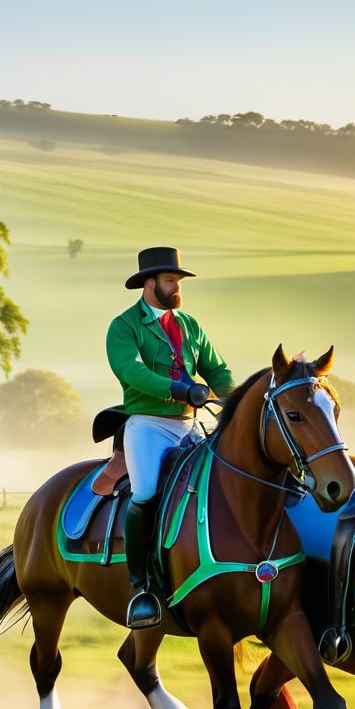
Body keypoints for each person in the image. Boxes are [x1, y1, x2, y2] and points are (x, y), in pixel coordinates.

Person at [106, 246, 235, 629]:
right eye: (170, 281)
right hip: (147, 423)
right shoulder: (124, 326)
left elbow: (216, 369)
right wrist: (180, 390)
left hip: (191, 424)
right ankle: (141, 588)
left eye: (178, 281)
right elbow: (132, 372)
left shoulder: (191, 325)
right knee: (145, 492)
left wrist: (237, 397)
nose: (177, 287)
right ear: (150, 283)